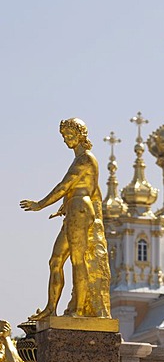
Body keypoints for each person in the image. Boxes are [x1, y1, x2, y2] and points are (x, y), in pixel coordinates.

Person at [20, 118, 111, 319]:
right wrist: (65, 206)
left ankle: (78, 311)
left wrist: (40, 204)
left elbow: (64, 186)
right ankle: (51, 308)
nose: (66, 140)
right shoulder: (80, 159)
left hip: (79, 210)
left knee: (78, 260)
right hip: (74, 209)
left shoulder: (85, 159)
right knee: (55, 260)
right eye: (64, 136)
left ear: (81, 135)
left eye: (69, 135)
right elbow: (89, 189)